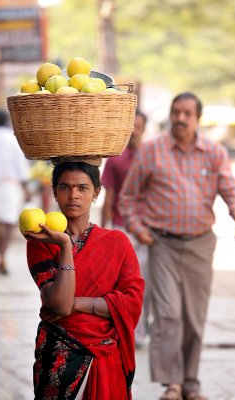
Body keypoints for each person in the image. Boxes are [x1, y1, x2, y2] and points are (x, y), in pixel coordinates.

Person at [118, 92, 235, 400]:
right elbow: (128, 197)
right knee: (168, 313)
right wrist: (138, 228)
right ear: (170, 115)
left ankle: (191, 381)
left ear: (197, 118)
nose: (181, 118)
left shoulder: (213, 152)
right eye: (176, 112)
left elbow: (231, 190)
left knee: (194, 317)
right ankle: (171, 383)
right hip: (162, 244)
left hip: (201, 245)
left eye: (187, 113)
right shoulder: (152, 151)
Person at [24, 160, 144, 400]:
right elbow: (58, 305)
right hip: (58, 356)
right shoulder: (41, 242)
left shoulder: (117, 243)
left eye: (82, 188)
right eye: (65, 187)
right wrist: (65, 244)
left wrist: (76, 303)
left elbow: (132, 303)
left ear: (97, 192)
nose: (73, 195)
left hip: (105, 357)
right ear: (55, 192)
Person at [101, 109, 150, 348]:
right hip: (122, 228)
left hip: (150, 230)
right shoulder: (115, 159)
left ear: (144, 129)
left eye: (139, 126)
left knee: (145, 283)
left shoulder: (152, 157)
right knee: (124, 284)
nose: (134, 131)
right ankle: (125, 329)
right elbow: (109, 195)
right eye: (131, 126)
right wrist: (103, 229)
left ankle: (140, 334)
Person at [0, 109, 30, 274]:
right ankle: (3, 256)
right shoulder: (14, 140)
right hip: (11, 186)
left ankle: (0, 256)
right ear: (6, 121)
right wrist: (26, 188)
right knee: (9, 221)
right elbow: (21, 166)